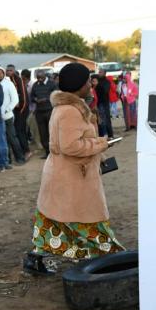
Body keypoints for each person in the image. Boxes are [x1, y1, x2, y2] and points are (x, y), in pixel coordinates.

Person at [24, 63, 124, 275]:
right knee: (87, 220)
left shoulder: (69, 107)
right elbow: (70, 146)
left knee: (57, 219)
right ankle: (110, 260)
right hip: (71, 177)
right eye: (88, 80)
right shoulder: (70, 111)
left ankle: (37, 259)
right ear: (79, 85)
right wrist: (102, 144)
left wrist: (99, 150)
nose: (91, 84)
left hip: (65, 175)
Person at [0, 67, 26, 168]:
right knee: (2, 139)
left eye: (0, 73)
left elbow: (15, 99)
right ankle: (7, 160)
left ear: (4, 73)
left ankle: (20, 157)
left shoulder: (9, 84)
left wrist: (7, 109)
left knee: (12, 138)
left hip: (7, 116)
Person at [30, 69, 56, 157]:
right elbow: (32, 96)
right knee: (42, 133)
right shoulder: (35, 85)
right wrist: (36, 99)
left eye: (41, 77)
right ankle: (47, 152)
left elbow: (56, 94)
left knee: (51, 132)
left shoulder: (52, 84)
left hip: (50, 111)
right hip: (39, 112)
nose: (39, 79)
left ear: (45, 76)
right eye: (38, 78)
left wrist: (46, 99)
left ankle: (54, 151)